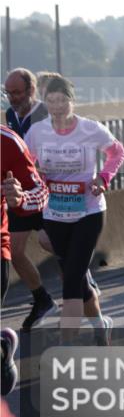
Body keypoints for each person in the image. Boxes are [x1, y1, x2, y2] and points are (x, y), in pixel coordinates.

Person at [25, 75, 124, 341]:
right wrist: (37, 176)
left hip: (88, 213)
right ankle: (101, 324)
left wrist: (103, 178)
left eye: (63, 101)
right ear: (46, 103)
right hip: (55, 214)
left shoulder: (90, 129)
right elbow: (27, 165)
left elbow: (117, 152)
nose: (57, 107)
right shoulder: (37, 132)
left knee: (70, 279)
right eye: (52, 101)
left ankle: (65, 348)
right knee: (77, 277)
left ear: (72, 101)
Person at [3, 68, 57, 329]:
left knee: (49, 242)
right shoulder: (10, 115)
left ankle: (81, 276)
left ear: (31, 91)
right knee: (14, 251)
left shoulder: (46, 114)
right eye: (8, 93)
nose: (12, 98)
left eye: (17, 92)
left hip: (47, 190)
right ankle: (42, 298)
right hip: (18, 191)